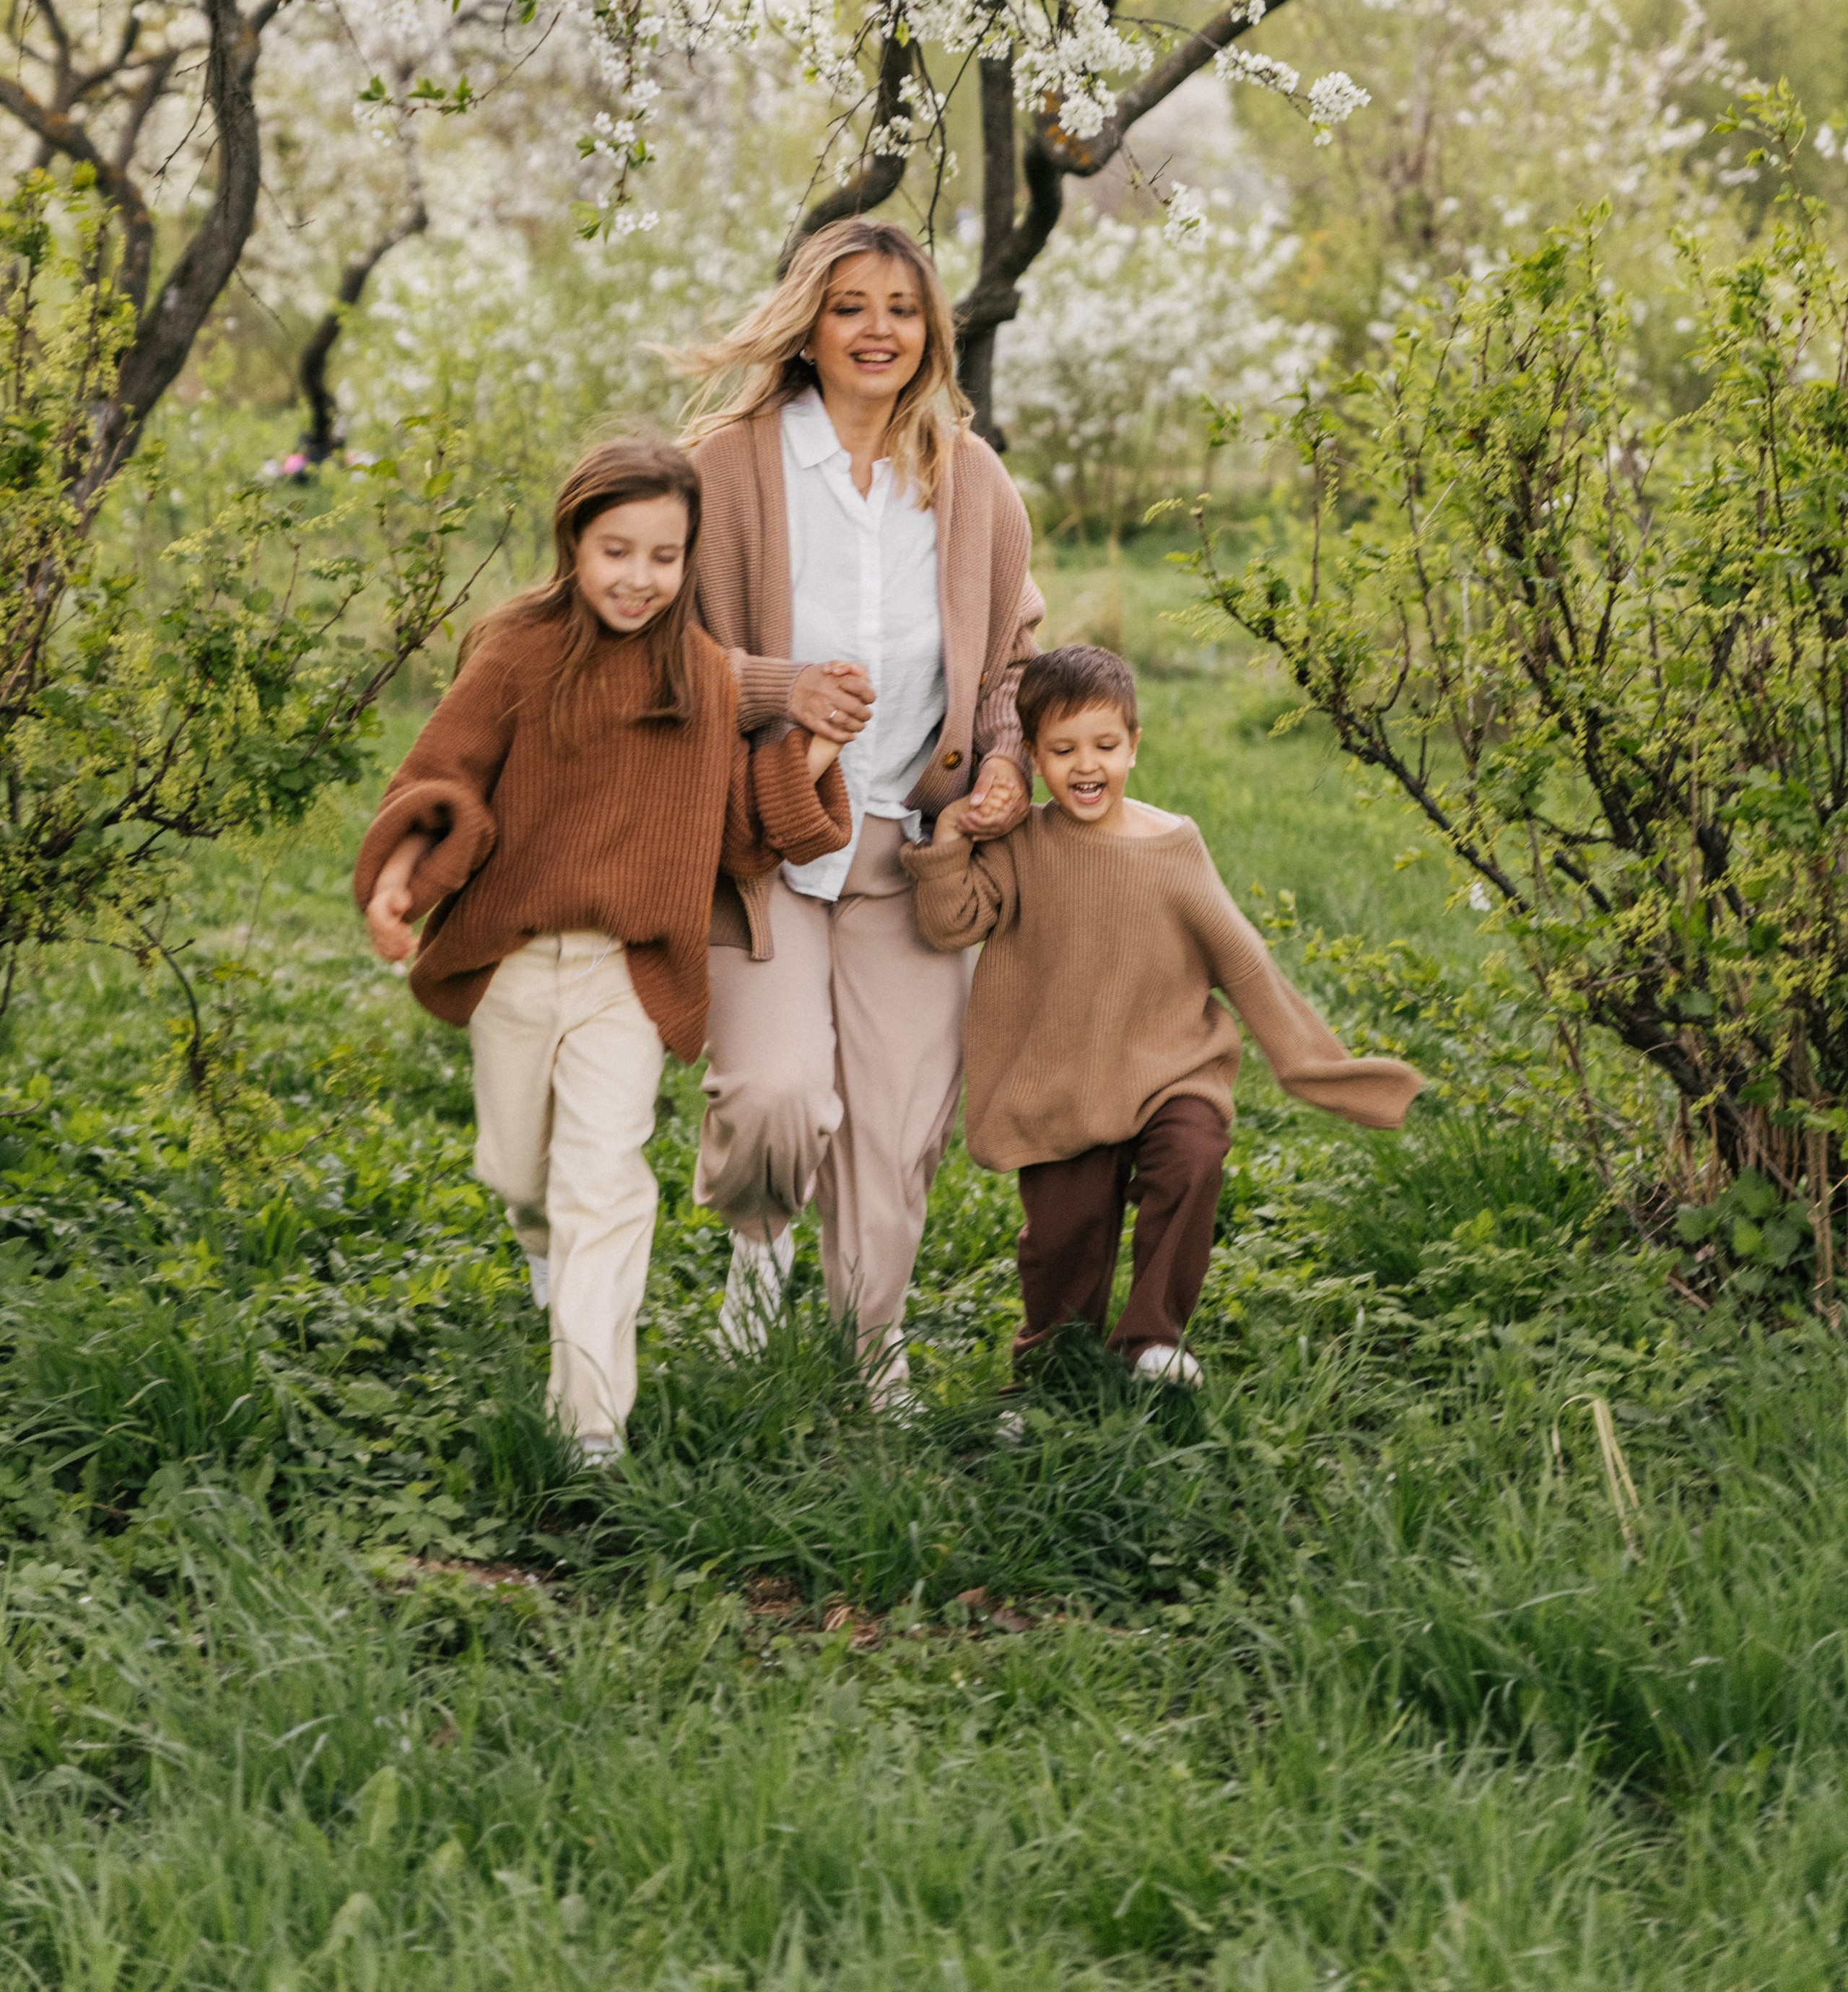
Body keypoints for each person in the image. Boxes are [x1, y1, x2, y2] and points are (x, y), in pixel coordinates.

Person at [354, 440, 850, 1462]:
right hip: (513, 955)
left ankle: (589, 1428)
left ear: (688, 560)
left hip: (631, 969)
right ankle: (542, 1254)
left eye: (664, 557)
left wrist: (813, 757)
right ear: (574, 542)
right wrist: (403, 874)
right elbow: (446, 775)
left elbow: (742, 830)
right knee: (519, 1172)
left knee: (603, 1181)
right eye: (616, 550)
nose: (640, 578)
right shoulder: (517, 651)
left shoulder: (704, 677)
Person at [679, 216, 1041, 1398]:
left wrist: (1003, 760)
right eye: (850, 307)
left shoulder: (972, 480)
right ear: (808, 326)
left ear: (931, 328)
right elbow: (651, 658)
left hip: (911, 854)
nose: (877, 330)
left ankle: (866, 1349)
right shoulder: (730, 466)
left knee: (895, 1139)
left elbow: (1009, 666)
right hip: (767, 841)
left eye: (899, 307)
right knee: (779, 1100)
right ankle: (756, 1253)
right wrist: (782, 689)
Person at [903, 643, 1423, 1383]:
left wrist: (1313, 1065)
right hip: (1063, 1080)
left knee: (1192, 1157)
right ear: (1033, 760)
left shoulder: (1172, 847)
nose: (1087, 766)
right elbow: (952, 924)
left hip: (1170, 1067)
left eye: (1105, 746)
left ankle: (1150, 1339)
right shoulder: (1023, 845)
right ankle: (1054, 1366)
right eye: (1063, 749)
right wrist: (949, 843)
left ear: (1134, 747)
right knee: (1063, 1238)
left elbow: (1242, 960)